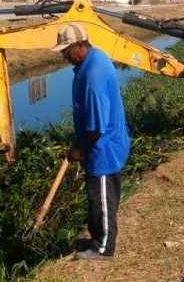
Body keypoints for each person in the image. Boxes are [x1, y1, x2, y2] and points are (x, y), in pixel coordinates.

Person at [51, 23, 131, 260]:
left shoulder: (94, 75)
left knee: (102, 198)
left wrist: (78, 150)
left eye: (66, 50)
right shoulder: (90, 60)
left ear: (80, 46)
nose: (64, 56)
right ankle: (97, 238)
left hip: (104, 148)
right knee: (96, 196)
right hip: (96, 145)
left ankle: (105, 248)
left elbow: (96, 127)